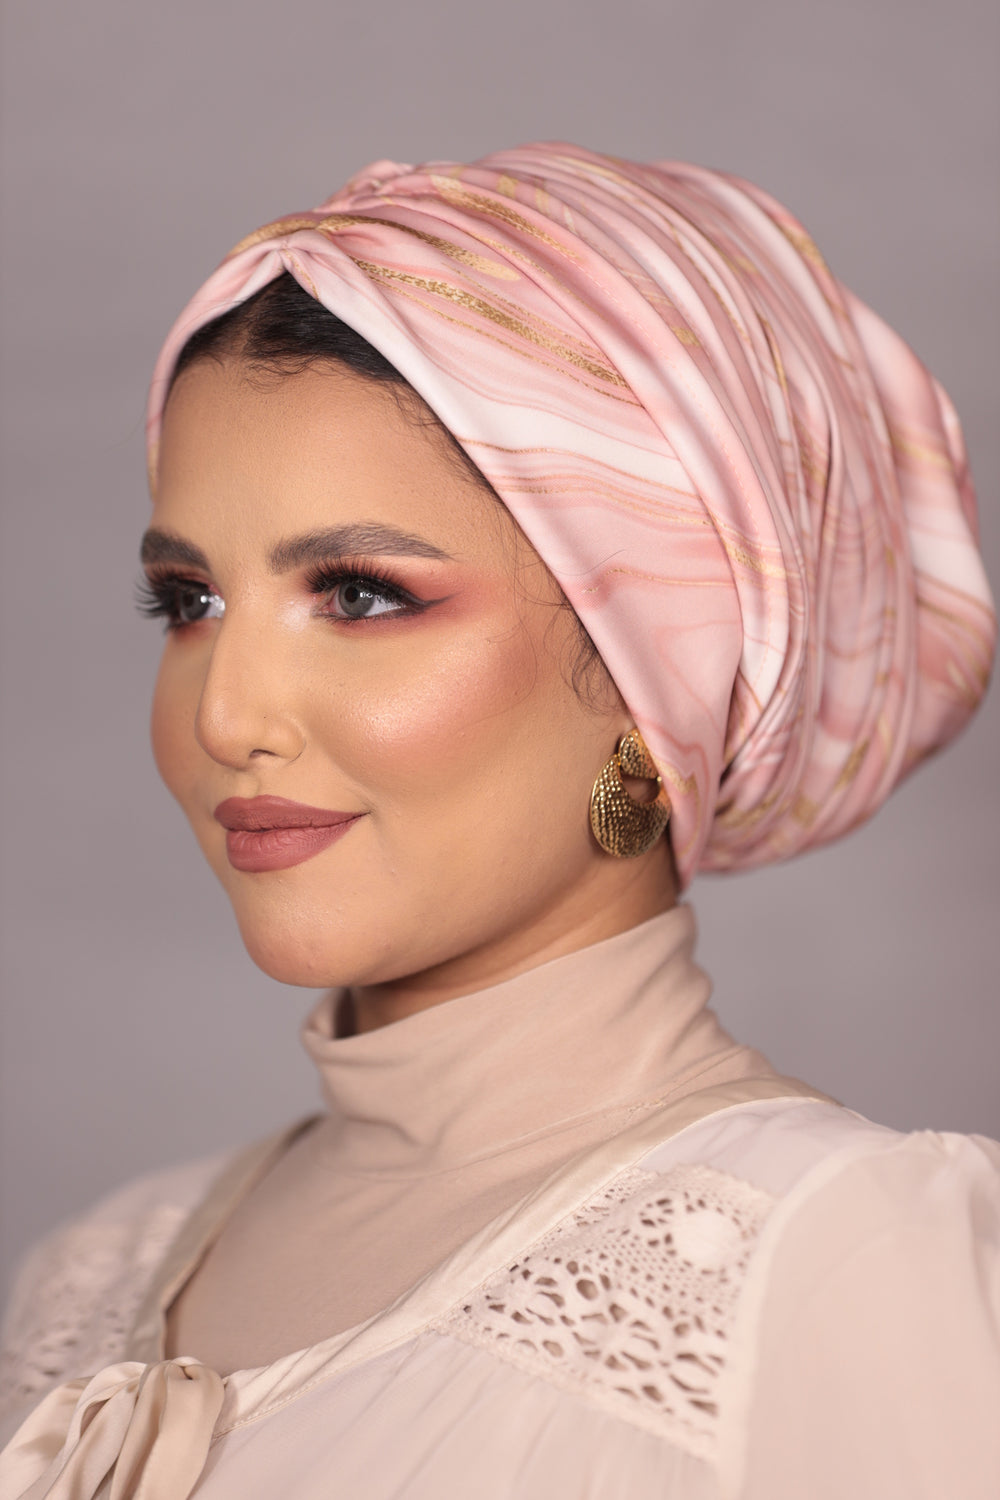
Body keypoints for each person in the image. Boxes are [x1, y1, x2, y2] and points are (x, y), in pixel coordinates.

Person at [0, 141, 997, 1499]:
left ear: (663, 669)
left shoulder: (842, 1263)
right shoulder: (88, 1273)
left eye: (359, 594)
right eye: (190, 602)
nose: (224, 715)